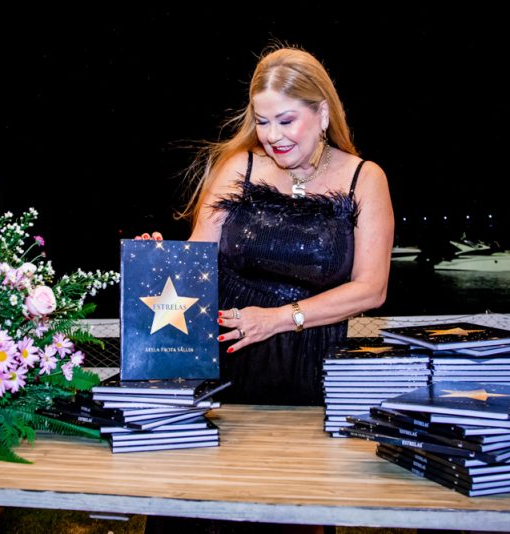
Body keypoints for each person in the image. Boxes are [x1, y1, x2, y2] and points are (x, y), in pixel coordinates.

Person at [140, 44, 394, 534]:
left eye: (286, 120)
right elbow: (198, 259)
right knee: (195, 510)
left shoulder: (366, 178)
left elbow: (371, 289)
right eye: (262, 121)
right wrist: (160, 262)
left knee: (289, 515)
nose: (272, 136)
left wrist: (280, 317)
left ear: (322, 113)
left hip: (310, 379)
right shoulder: (240, 167)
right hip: (226, 364)